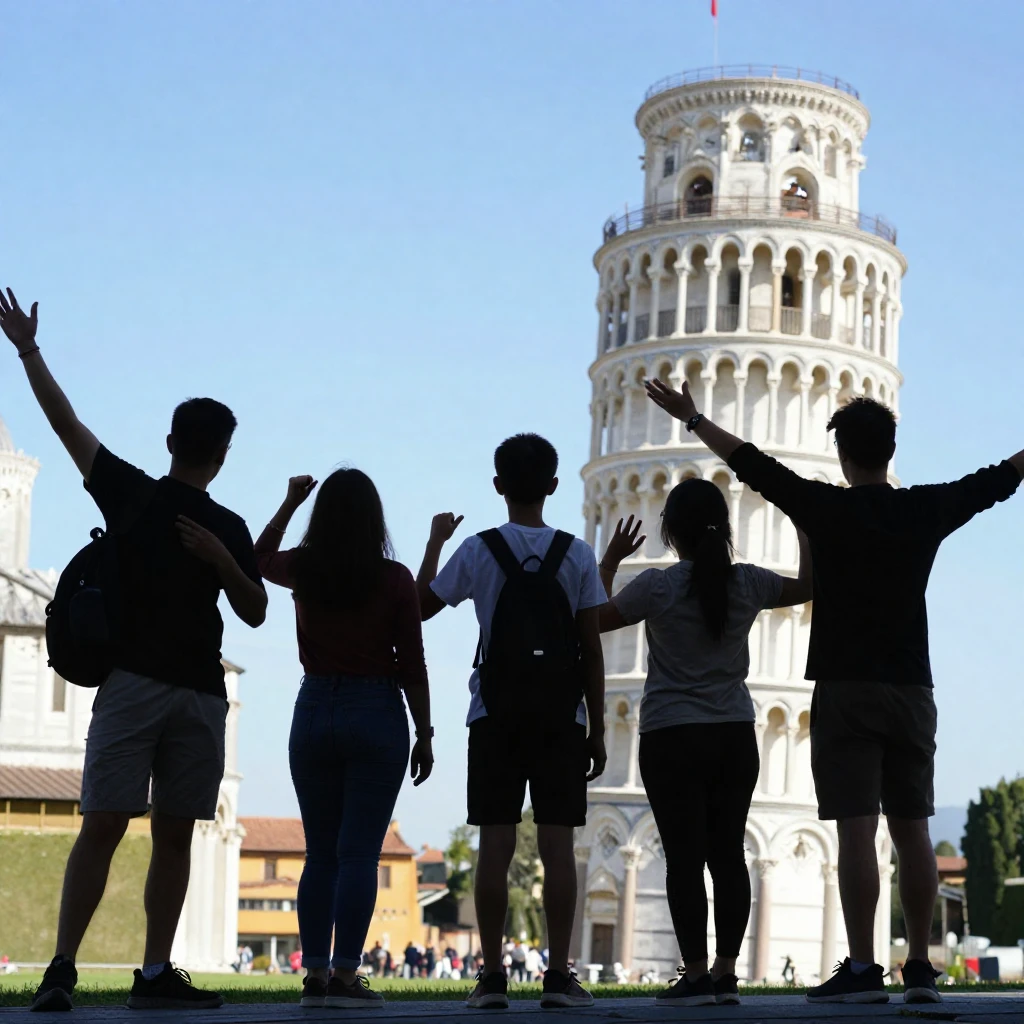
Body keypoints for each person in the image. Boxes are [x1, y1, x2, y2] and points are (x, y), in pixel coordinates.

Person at [646, 378, 1024, 1005]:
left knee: (855, 829)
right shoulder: (924, 508)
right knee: (913, 828)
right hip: (911, 685)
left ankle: (864, 968)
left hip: (845, 688)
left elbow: (751, 464)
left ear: (843, 454)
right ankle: (921, 968)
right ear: (890, 451)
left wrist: (693, 418)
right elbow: (997, 480)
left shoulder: (824, 507)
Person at [0, 289, 267, 1013]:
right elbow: (255, 610)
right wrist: (224, 561)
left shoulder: (144, 499)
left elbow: (66, 424)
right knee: (152, 834)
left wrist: (29, 350)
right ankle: (121, 971)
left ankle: (90, 971)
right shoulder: (197, 515)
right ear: (221, 454)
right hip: (187, 691)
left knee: (116, 828)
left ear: (171, 440)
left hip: (151, 688)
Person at [598, 478, 812, 1006]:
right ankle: (725, 973)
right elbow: (808, 587)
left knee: (684, 859)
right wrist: (805, 529)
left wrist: (610, 561)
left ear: (671, 532)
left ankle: (694, 974)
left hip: (671, 736)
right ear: (726, 528)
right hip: (734, 734)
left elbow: (594, 619)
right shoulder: (749, 582)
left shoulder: (656, 587)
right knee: (729, 856)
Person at [417, 433, 607, 1010]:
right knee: (557, 847)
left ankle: (493, 976)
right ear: (553, 485)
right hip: (561, 716)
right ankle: (558, 976)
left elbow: (419, 607)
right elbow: (591, 648)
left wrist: (434, 542)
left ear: (498, 485)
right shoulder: (578, 554)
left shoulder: (477, 550)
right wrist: (597, 728)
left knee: (494, 844)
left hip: (494, 713)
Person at [255, 470, 433, 1008]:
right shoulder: (395, 579)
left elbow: (257, 559)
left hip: (313, 708)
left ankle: (313, 975)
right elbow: (413, 663)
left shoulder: (304, 570)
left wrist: (288, 503)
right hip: (377, 711)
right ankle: (346, 977)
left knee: (320, 856)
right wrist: (424, 732)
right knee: (358, 855)